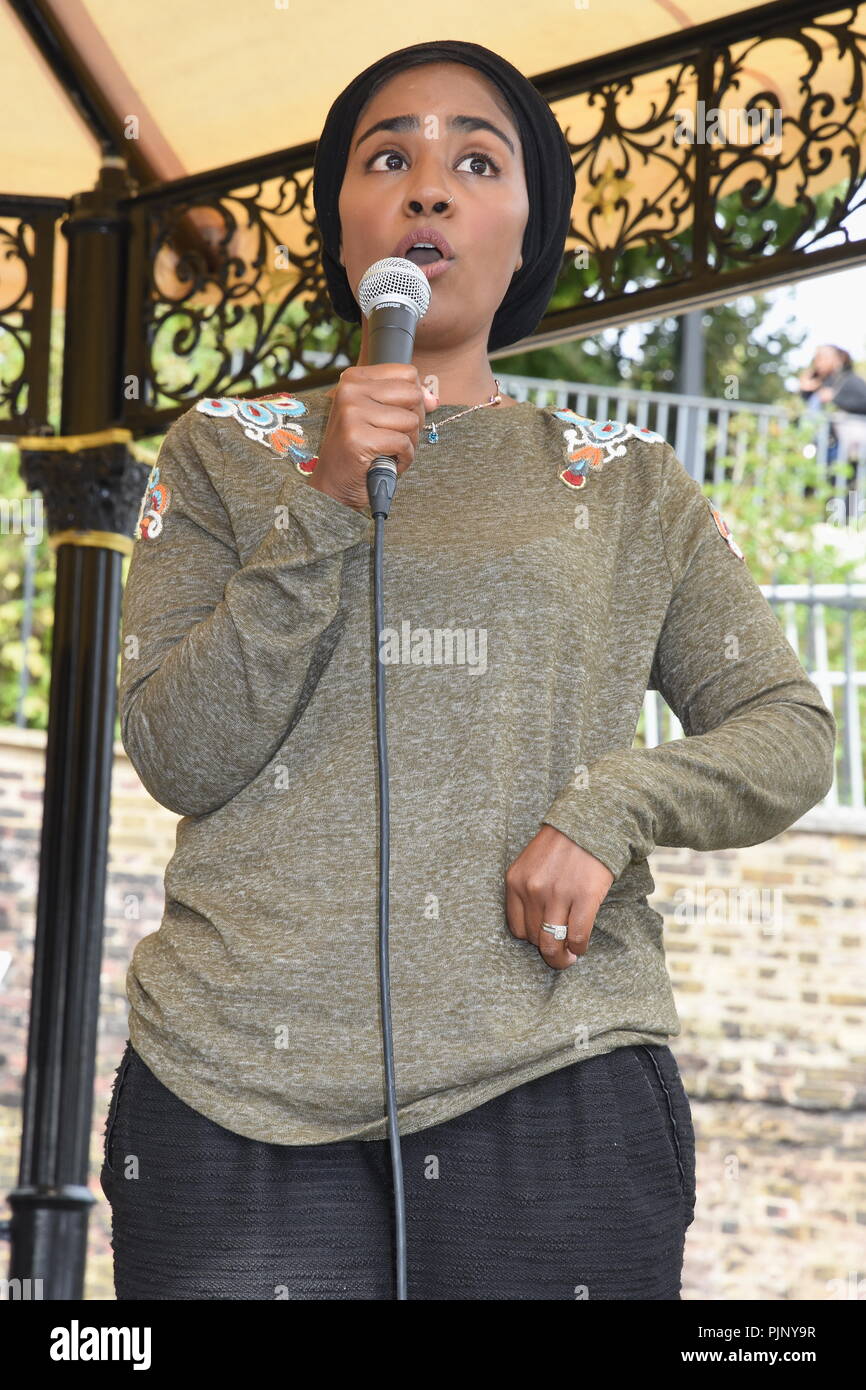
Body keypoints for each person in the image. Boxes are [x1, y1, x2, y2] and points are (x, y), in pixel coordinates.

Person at [100, 39, 837, 1301]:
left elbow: (787, 728)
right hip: (229, 1095)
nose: (427, 187)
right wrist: (325, 496)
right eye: (388, 157)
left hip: (554, 1083)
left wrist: (610, 805)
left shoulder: (623, 480)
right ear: (344, 226)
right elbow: (181, 752)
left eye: (473, 160)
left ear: (528, 224)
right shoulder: (223, 451)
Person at [798, 343, 866, 465]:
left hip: (843, 444)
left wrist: (836, 398)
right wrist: (805, 389)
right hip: (820, 442)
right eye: (816, 358)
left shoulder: (850, 380)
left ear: (837, 360)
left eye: (822, 358)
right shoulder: (821, 381)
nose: (818, 363)